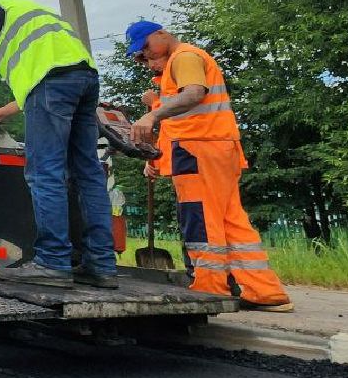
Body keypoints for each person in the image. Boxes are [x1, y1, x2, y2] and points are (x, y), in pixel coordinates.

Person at [125, 21, 294, 312]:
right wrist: (157, 152)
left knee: (202, 220)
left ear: (161, 34)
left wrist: (151, 115)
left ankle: (209, 288)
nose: (146, 55)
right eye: (140, 54)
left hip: (198, 149)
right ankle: (264, 292)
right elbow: (179, 122)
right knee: (231, 221)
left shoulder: (185, 57)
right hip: (216, 147)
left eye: (146, 47)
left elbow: (194, 94)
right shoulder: (180, 62)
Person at [0, 0, 116, 289]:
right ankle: (101, 266)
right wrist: (1, 112)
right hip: (85, 79)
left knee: (44, 173)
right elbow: (47, 87)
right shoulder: (27, 15)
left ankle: (52, 263)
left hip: (53, 82)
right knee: (88, 174)